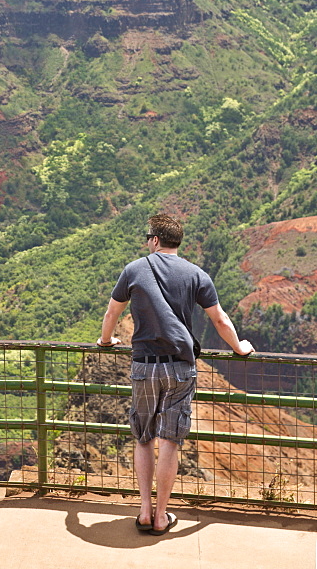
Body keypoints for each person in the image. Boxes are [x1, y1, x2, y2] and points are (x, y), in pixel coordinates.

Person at [96, 213, 254, 536]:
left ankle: (143, 512)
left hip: (144, 366)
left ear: (155, 240)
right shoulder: (197, 275)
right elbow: (220, 320)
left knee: (143, 437)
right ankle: (161, 517)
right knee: (170, 440)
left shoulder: (134, 270)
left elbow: (113, 312)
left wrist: (106, 341)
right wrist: (239, 347)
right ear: (176, 242)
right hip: (181, 368)